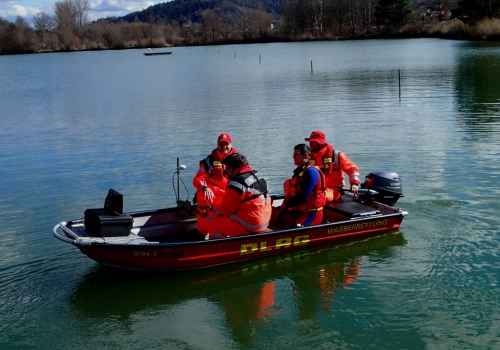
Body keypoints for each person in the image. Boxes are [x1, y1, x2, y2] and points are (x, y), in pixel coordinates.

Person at [207, 154, 272, 239]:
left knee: (211, 221)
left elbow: (226, 210)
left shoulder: (236, 183)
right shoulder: (257, 175)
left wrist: (214, 207)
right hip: (265, 220)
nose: (226, 171)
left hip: (251, 224)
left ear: (234, 168)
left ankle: (222, 247)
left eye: (228, 168)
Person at [192, 133, 238, 236]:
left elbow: (245, 175)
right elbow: (198, 179)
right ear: (217, 145)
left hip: (230, 195)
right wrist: (204, 188)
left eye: (227, 144)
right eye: (221, 144)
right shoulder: (208, 161)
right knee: (201, 194)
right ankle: (201, 232)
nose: (224, 147)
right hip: (212, 197)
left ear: (231, 144)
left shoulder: (238, 160)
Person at [273, 144, 326, 229]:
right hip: (299, 211)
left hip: (311, 214)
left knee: (294, 229)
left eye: (296, 155)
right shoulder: (301, 171)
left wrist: (287, 204)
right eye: (293, 154)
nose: (293, 157)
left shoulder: (310, 172)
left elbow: (302, 198)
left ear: (305, 156)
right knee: (276, 219)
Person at [305, 130, 360, 202]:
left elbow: (352, 169)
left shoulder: (336, 155)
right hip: (317, 188)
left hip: (335, 190)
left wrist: (354, 184)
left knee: (318, 196)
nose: (311, 144)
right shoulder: (308, 157)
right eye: (310, 142)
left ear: (321, 143)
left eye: (314, 142)